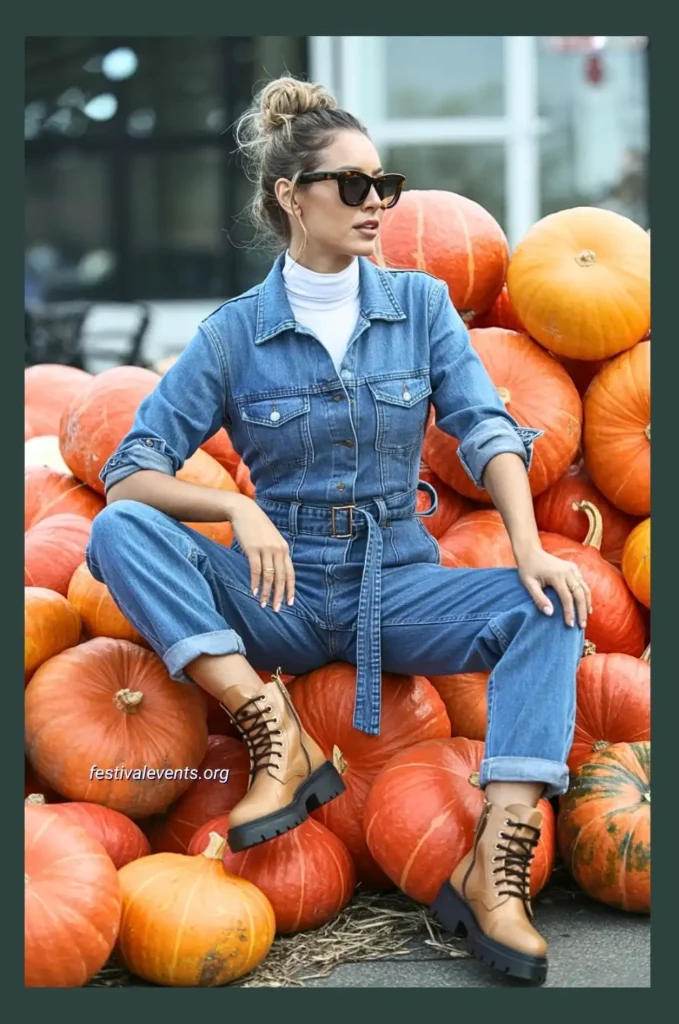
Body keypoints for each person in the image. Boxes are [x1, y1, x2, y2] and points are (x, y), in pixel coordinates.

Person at [86, 76, 589, 986]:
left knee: (549, 608)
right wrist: (236, 508)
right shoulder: (233, 334)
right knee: (120, 529)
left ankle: (493, 867)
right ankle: (276, 731)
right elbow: (131, 465)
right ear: (291, 196)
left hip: (395, 584)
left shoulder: (423, 306)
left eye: (382, 184)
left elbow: (484, 429)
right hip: (275, 590)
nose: (375, 205)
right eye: (350, 186)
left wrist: (526, 545)